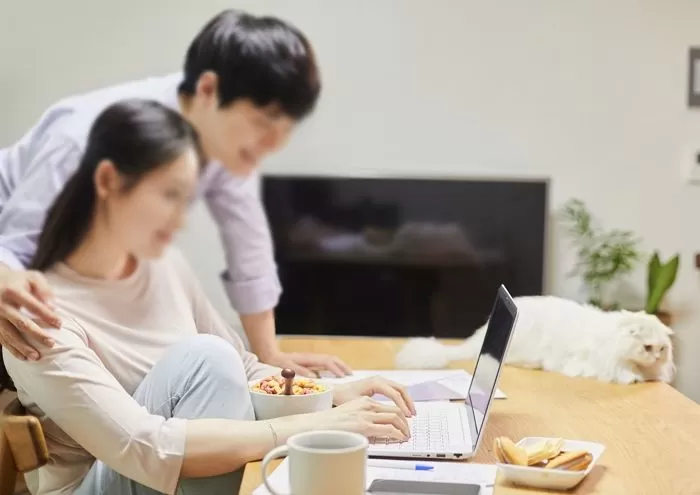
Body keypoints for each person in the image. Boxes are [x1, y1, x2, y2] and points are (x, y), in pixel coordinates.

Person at [2, 99, 415, 495]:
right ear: (108, 181)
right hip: (104, 481)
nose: (179, 220)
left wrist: (326, 396)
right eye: (168, 195)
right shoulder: (33, 314)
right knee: (206, 356)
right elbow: (145, 446)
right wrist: (319, 425)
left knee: (218, 358)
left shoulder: (163, 265)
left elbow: (243, 368)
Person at [0, 8, 352, 377]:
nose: (273, 144)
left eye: (285, 129)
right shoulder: (82, 138)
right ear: (208, 90)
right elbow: (15, 245)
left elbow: (249, 245)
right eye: (263, 121)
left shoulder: (226, 141)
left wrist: (269, 354)